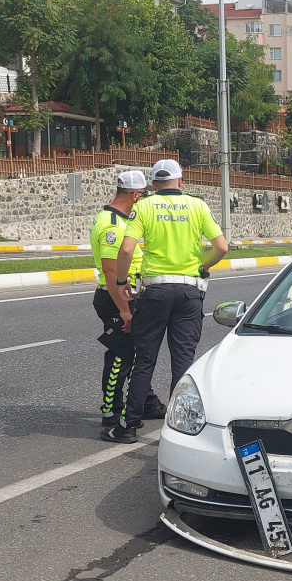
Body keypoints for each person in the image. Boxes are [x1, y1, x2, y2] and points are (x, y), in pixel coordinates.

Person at [102, 159, 229, 443]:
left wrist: (122, 283)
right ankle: (179, 430)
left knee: (145, 360)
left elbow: (125, 250)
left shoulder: (144, 206)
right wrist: (201, 267)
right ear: (180, 182)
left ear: (154, 185)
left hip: (155, 291)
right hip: (189, 292)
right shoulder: (197, 205)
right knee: (183, 362)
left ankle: (128, 428)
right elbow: (221, 246)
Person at [91, 170, 165, 429]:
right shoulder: (113, 224)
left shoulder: (121, 219)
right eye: (143, 195)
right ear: (135, 195)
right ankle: (111, 410)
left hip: (127, 294)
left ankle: (145, 402)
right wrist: (124, 309)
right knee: (121, 355)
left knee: (135, 354)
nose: (145, 200)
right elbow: (111, 272)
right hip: (116, 297)